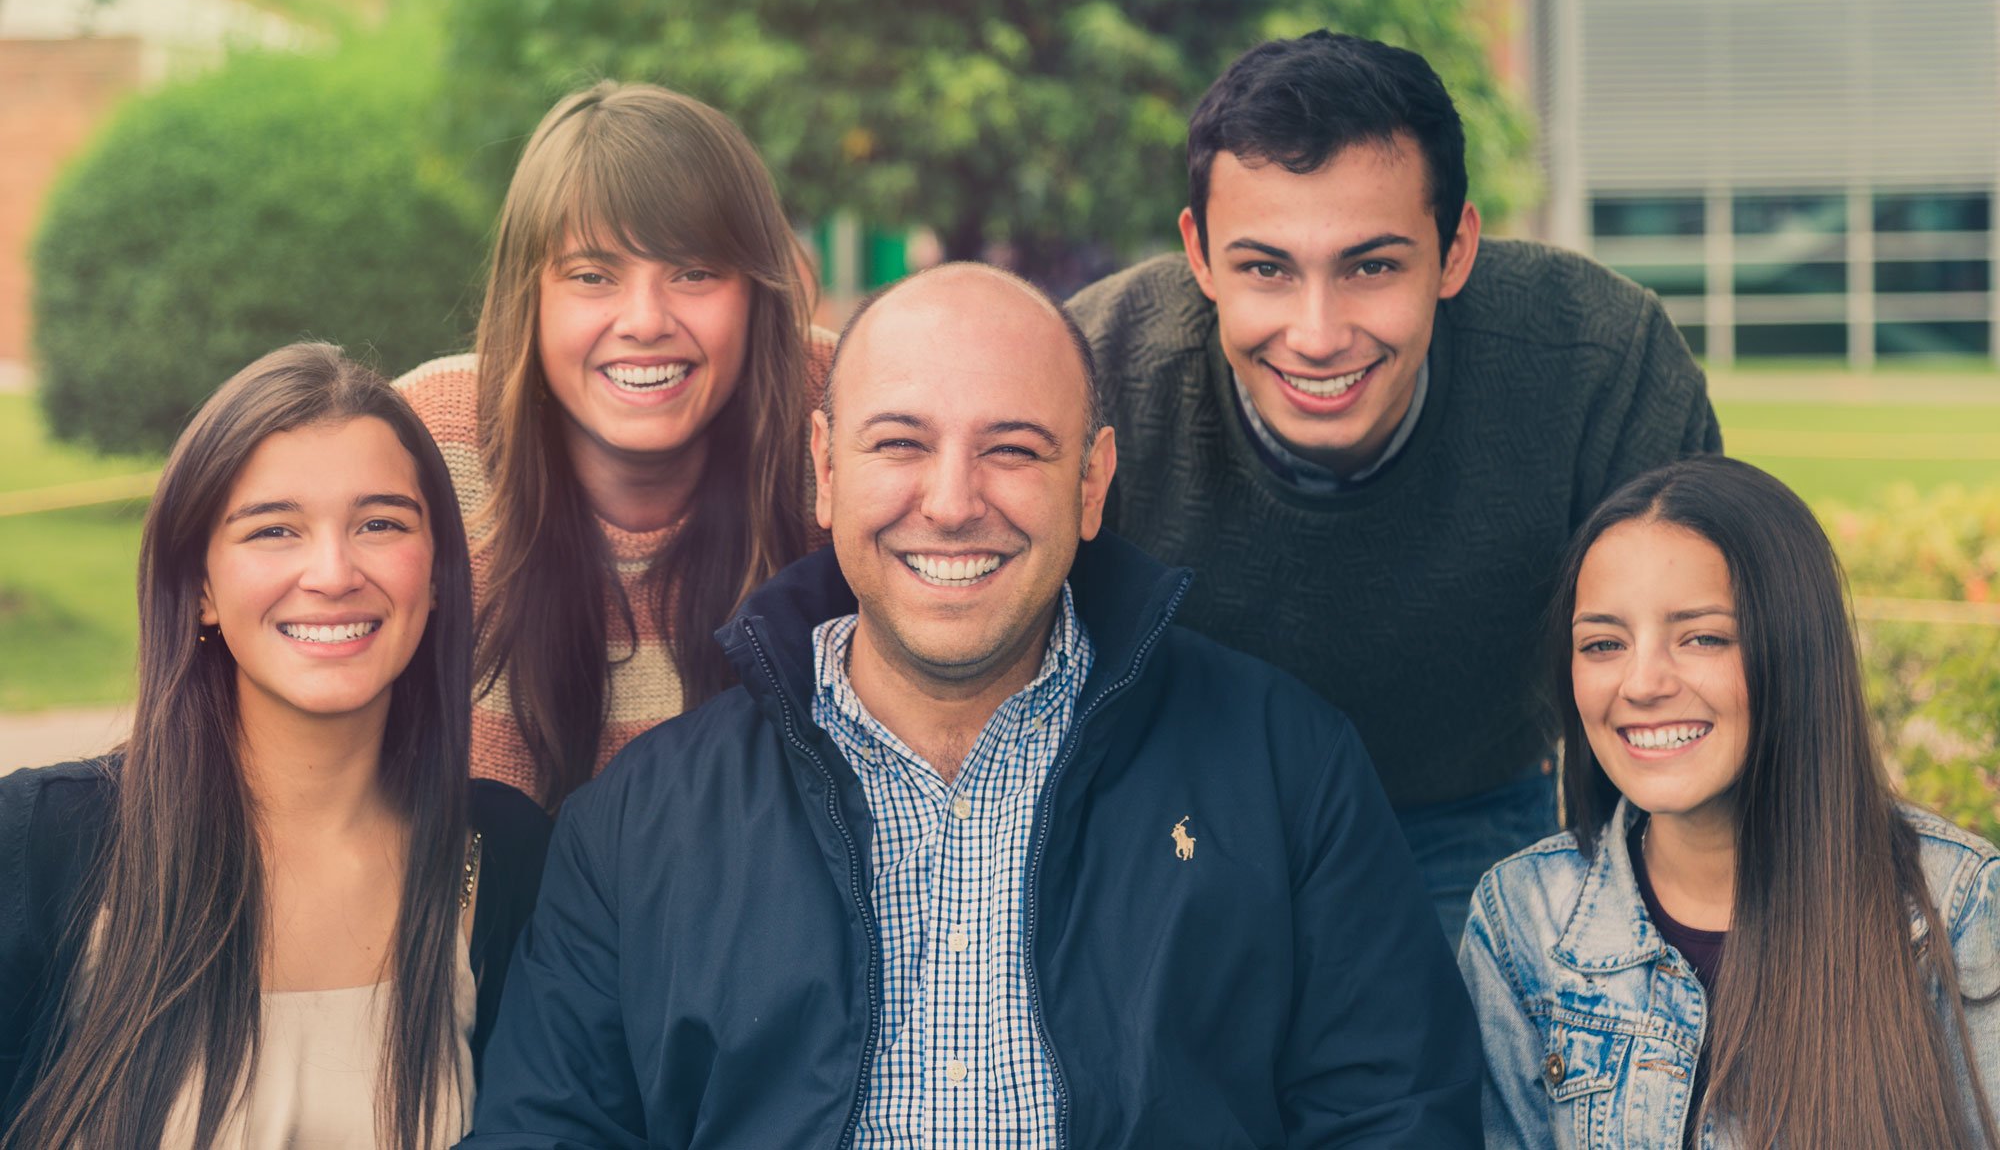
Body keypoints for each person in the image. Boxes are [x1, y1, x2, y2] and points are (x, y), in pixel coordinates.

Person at [465, 263, 1483, 1148]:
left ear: (1090, 484)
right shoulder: (636, 823)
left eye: (1013, 449)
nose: (951, 502)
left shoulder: (1285, 770)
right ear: (824, 471)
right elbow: (546, 1132)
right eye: (899, 444)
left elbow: (1392, 1118)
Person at [1069, 30, 1722, 936]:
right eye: (1266, 268)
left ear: (1455, 250)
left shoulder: (1602, 359)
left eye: (1371, 266)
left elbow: (1703, 669)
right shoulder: (1089, 375)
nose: (1318, 332)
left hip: (1468, 805)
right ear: (1200, 253)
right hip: (1174, 818)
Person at [0, 343, 549, 1149]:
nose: (332, 571)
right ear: (200, 589)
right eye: (274, 529)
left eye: (380, 523)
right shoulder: (34, 842)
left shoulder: (501, 860)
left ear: (435, 575)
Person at [1460, 455, 2000, 1149]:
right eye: (1603, 643)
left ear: (1796, 649)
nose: (1643, 681)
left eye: (1703, 636)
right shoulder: (1522, 918)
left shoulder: (1960, 910)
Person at [399, 82, 832, 809]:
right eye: (593, 276)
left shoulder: (844, 422)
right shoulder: (431, 446)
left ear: (756, 293)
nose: (644, 320)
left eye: (694, 272)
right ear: (528, 296)